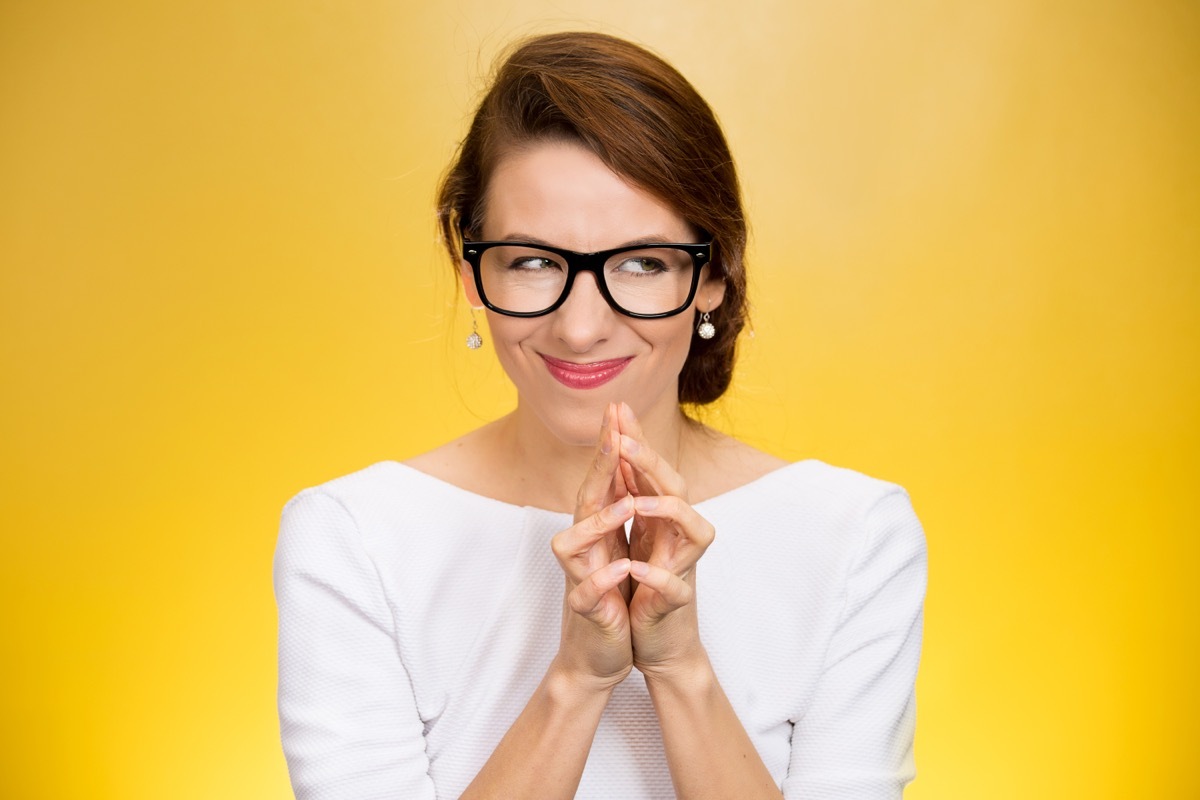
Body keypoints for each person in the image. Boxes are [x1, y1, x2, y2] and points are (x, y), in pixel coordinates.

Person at [274, 31, 927, 800]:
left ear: (714, 274)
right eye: (532, 262)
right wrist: (576, 681)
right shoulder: (354, 540)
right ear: (470, 270)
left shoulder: (854, 538)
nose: (580, 328)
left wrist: (681, 669)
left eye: (642, 263)